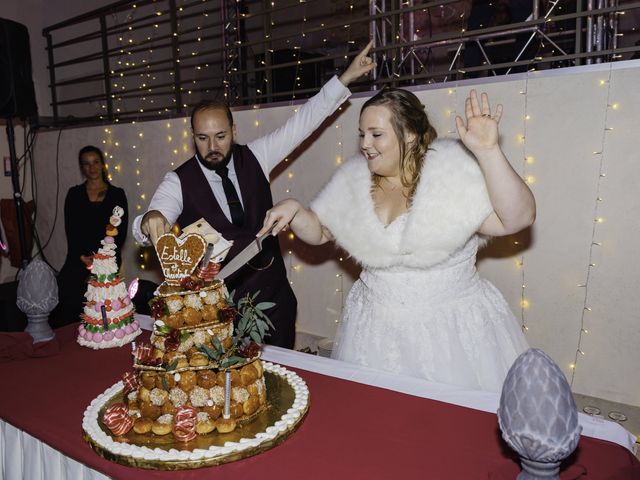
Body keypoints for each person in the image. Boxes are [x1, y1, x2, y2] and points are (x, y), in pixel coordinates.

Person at [258, 88, 535, 391]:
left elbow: (518, 218)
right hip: (374, 331)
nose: (365, 144)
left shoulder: (451, 176)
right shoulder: (354, 180)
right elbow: (321, 232)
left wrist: (488, 151)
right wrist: (297, 211)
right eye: (362, 134)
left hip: (449, 331)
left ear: (411, 134)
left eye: (376, 134)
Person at [132, 43, 376, 349]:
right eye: (203, 138)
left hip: (274, 296)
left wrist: (346, 78)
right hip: (220, 308)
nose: (212, 147)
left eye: (220, 137)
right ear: (192, 136)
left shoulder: (257, 156)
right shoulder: (178, 181)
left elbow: (303, 123)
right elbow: (154, 217)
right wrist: (149, 221)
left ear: (233, 130)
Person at [51, 145, 128, 328]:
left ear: (102, 165)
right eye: (86, 164)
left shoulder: (117, 194)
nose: (92, 168)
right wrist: (82, 257)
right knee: (66, 297)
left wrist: (101, 258)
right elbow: (71, 229)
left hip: (107, 257)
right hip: (78, 256)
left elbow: (121, 231)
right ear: (82, 168)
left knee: (104, 308)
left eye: (95, 162)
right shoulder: (74, 194)